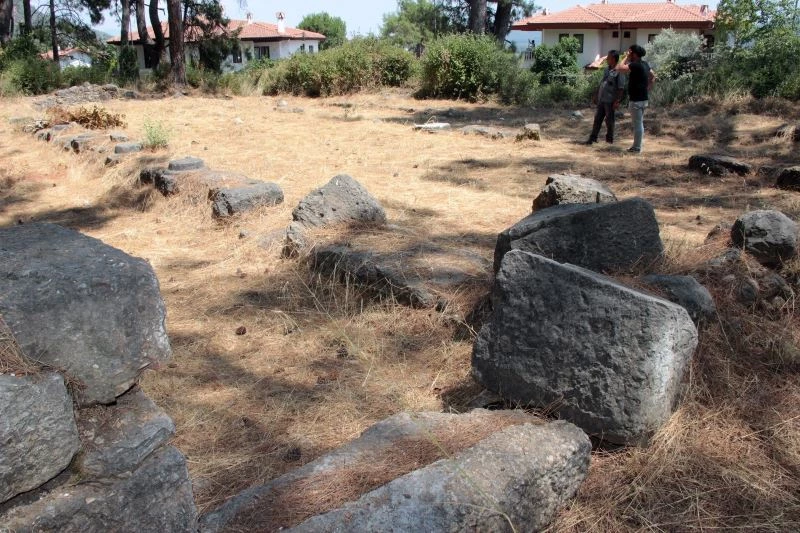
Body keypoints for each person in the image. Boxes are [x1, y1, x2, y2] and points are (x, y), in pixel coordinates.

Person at [614, 44, 655, 153]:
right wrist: (648, 87)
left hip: (636, 100)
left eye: (630, 52)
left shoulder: (635, 65)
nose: (629, 54)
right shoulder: (645, 64)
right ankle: (637, 145)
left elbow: (619, 68)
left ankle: (637, 148)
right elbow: (653, 76)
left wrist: (626, 58)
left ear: (634, 54)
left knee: (638, 124)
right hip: (643, 99)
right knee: (639, 123)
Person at [585, 50, 625, 145]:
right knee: (597, 119)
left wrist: (617, 101)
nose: (607, 59)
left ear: (614, 59)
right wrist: (596, 95)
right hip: (602, 99)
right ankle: (593, 138)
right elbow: (602, 82)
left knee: (609, 121)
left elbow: (621, 88)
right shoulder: (607, 69)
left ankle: (609, 140)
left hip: (610, 100)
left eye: (609, 58)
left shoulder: (619, 71)